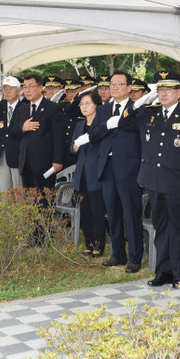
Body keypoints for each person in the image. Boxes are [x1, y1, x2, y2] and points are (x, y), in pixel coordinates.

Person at [131, 70, 180, 288]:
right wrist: (142, 101)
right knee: (161, 226)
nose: (163, 93)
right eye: (160, 89)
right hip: (154, 180)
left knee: (178, 228)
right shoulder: (148, 113)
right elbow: (125, 120)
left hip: (178, 181)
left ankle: (178, 272)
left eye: (168, 89)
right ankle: (163, 271)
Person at [89, 71, 143, 273]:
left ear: (129, 88)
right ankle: (118, 254)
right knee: (112, 213)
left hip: (129, 169)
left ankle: (135, 258)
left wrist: (119, 122)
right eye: (112, 84)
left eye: (120, 84)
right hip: (107, 167)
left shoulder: (138, 108)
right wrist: (106, 126)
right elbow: (93, 135)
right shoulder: (103, 111)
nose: (114, 88)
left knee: (131, 213)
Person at [10, 73, 64, 190]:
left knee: (45, 200)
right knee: (30, 201)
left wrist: (57, 160)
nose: (27, 90)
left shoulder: (52, 108)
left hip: (45, 162)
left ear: (40, 88)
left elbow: (58, 136)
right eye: (25, 87)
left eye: (31, 86)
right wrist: (23, 127)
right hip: (25, 163)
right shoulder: (22, 110)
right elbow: (13, 132)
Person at [71, 91, 107, 259]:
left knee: (96, 211)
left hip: (96, 172)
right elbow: (72, 149)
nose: (84, 107)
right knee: (84, 211)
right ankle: (88, 243)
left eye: (87, 103)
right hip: (81, 173)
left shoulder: (102, 124)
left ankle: (99, 246)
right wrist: (76, 145)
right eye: (81, 104)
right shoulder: (79, 125)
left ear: (96, 105)